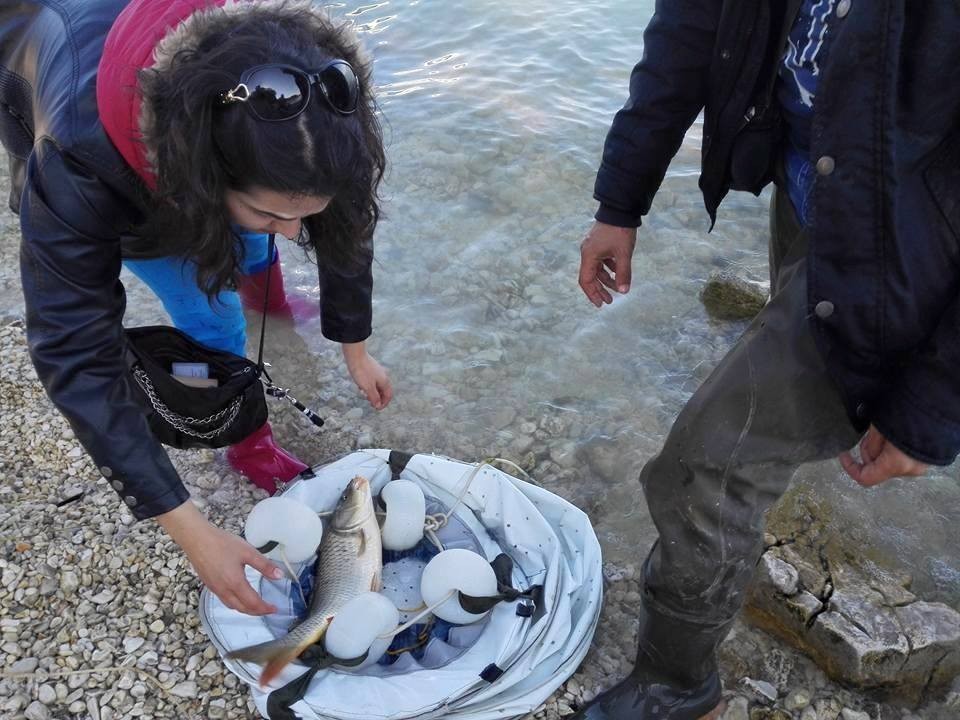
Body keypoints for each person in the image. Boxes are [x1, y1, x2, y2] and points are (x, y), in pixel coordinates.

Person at [575, 1, 959, 718]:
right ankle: (760, 511)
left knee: (702, 469)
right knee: (758, 450)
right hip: (810, 183)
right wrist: (619, 203)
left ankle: (678, 687)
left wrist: (933, 408)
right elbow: (684, 39)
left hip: (914, 239)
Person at [1, 0, 393, 616]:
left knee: (265, 236)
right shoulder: (79, 166)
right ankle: (245, 438)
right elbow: (77, 357)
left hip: (202, 150)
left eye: (302, 216)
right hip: (61, 84)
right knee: (215, 316)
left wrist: (355, 346)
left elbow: (344, 222)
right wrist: (193, 532)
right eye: (272, 214)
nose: (293, 235)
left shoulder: (313, 102)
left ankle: (272, 294)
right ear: (200, 178)